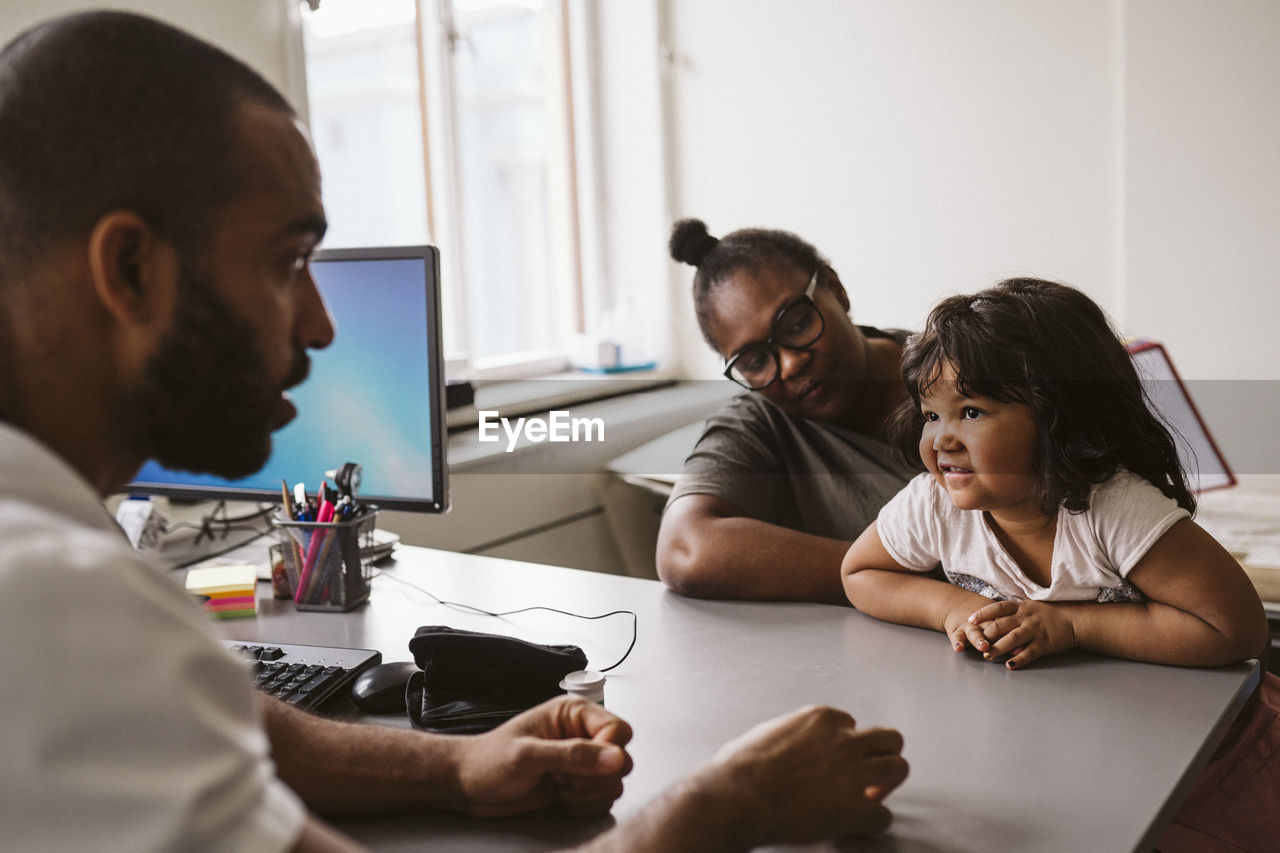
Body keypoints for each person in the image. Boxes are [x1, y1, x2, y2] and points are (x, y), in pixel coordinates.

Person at [0, 11, 908, 852]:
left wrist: (460, 766)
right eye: (288, 264)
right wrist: (711, 809)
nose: (321, 326)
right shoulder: (48, 597)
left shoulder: (57, 556)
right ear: (130, 269)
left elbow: (216, 709)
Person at [841, 277, 1277, 850]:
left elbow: (1233, 629)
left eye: (971, 411)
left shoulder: (1111, 508)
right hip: (1097, 756)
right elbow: (861, 573)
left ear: (1058, 420)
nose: (941, 440)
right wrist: (954, 607)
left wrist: (1068, 624)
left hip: (1225, 761)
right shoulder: (934, 502)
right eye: (930, 414)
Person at [657, 219, 918, 603]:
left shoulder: (963, 365)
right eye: (755, 361)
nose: (791, 364)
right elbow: (685, 549)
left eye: (796, 323)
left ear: (835, 288)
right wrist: (882, 575)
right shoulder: (761, 421)